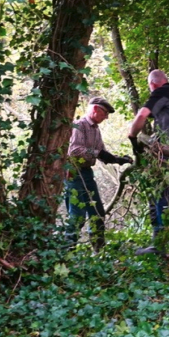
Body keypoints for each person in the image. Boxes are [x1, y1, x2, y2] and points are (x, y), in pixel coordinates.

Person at [127, 70, 169, 253]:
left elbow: (142, 115)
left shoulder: (161, 92)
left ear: (152, 85)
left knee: (160, 196)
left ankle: (160, 244)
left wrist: (132, 137)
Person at [65, 96, 132, 249]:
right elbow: (74, 150)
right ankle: (66, 250)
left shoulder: (95, 129)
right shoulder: (78, 125)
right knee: (78, 215)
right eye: (105, 113)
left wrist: (117, 159)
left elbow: (101, 152)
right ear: (95, 109)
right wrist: (98, 154)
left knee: (97, 212)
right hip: (73, 173)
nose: (106, 117)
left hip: (87, 173)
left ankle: (99, 249)